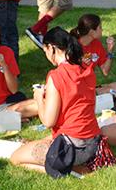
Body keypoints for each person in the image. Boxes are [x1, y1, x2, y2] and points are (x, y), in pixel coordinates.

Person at [10, 28, 104, 174]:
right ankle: (72, 166)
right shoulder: (86, 68)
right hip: (93, 142)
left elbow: (48, 121)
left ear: (51, 48)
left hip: (71, 149)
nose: (46, 55)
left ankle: (71, 171)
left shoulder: (56, 76)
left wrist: (39, 98)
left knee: (15, 157)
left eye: (45, 51)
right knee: (35, 144)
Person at [70, 13, 116, 95]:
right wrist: (79, 62)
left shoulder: (96, 44)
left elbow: (105, 71)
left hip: (90, 87)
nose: (102, 30)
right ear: (92, 32)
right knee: (113, 92)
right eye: (100, 28)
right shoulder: (73, 45)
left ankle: (95, 95)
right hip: (75, 88)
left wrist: (110, 52)